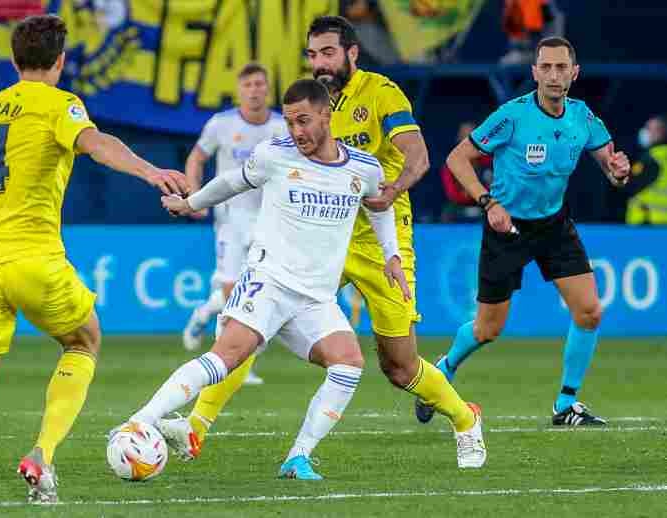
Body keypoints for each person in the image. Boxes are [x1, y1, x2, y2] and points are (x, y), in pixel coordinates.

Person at [163, 15, 485, 470]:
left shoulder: (382, 93)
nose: (319, 63)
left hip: (378, 243)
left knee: (399, 366)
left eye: (328, 53)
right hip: (318, 243)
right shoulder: (309, 109)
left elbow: (418, 157)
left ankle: (464, 419)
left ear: (352, 53)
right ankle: (194, 428)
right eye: (312, 54)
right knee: (248, 334)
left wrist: (390, 193)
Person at [0, 14, 187, 503]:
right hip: (34, 259)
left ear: (13, 59)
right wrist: (149, 170)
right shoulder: (61, 105)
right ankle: (42, 456)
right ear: (61, 61)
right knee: (84, 342)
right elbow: (97, 144)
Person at [119, 78, 440, 480]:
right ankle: (140, 420)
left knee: (349, 363)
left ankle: (298, 456)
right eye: (289, 122)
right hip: (268, 282)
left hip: (315, 299)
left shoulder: (364, 166)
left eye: (304, 121)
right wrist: (190, 203)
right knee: (226, 359)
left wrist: (391, 255)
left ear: (327, 115)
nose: (296, 132)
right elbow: (232, 181)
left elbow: (379, 209)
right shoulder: (275, 155)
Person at [416, 37, 631, 427]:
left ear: (574, 73)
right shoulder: (511, 117)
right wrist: (488, 203)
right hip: (506, 226)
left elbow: (609, 165)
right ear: (534, 72)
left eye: (561, 67)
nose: (553, 75)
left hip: (553, 224)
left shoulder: (582, 118)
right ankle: (443, 370)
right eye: (545, 67)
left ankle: (566, 405)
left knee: (589, 312)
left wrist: (618, 172)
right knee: (488, 329)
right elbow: (456, 159)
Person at [181, 63, 287, 390]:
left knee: (259, 288)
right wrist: (193, 195)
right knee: (233, 290)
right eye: (248, 85)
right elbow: (197, 158)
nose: (254, 90)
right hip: (231, 218)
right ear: (240, 90)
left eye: (260, 84)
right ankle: (235, 361)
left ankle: (205, 315)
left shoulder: (282, 127)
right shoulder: (222, 124)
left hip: (269, 218)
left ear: (267, 89)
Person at [440, 121, 493, 222]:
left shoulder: (488, 162)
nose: (467, 141)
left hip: (485, 204)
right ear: (459, 139)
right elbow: (452, 194)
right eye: (464, 137)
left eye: (471, 137)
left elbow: (494, 188)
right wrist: (470, 197)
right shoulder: (450, 164)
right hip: (458, 206)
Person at [626, 115, 667, 224]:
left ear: (660, 132)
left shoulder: (651, 158)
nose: (644, 132)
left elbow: (631, 185)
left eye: (648, 129)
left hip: (647, 224)